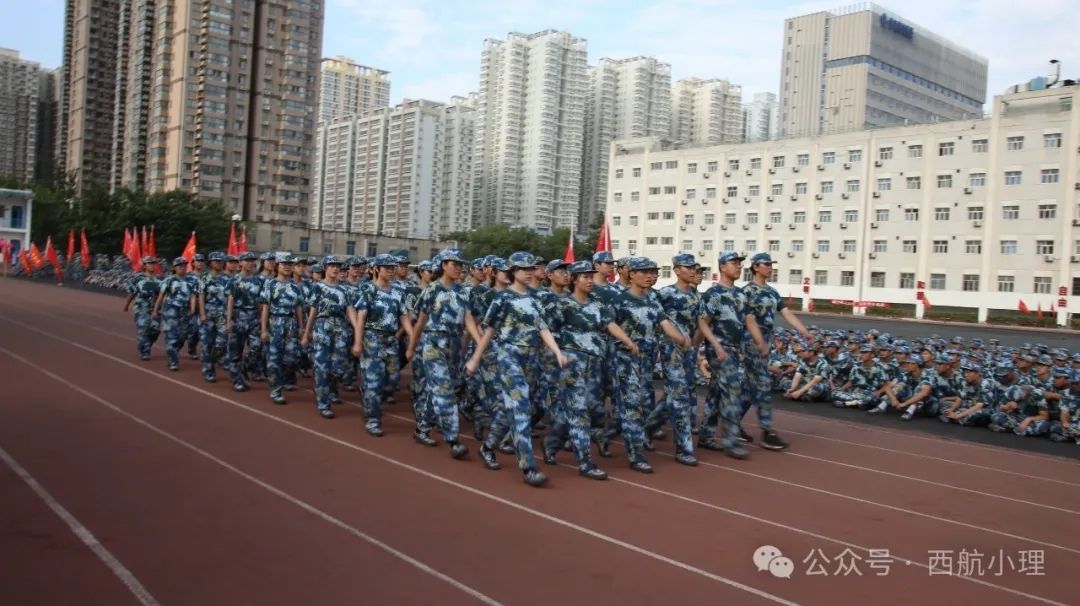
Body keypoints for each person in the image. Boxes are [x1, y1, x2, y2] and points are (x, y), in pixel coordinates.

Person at [466, 251, 568, 487]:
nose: (529, 272)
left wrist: (557, 351)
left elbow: (542, 328)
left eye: (531, 268)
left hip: (531, 358)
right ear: (513, 272)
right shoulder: (502, 298)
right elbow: (490, 331)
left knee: (507, 409)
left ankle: (488, 447)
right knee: (521, 410)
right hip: (508, 356)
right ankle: (528, 467)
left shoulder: (535, 298)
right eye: (524, 269)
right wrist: (475, 358)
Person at [543, 260, 637, 479]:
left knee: (587, 408)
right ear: (574, 280)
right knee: (579, 413)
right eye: (585, 276)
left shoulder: (597, 303)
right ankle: (585, 462)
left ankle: (552, 442)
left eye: (591, 276)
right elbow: (547, 331)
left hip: (594, 365)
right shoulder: (562, 305)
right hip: (571, 365)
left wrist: (628, 341)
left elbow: (609, 324)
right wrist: (557, 357)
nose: (589, 280)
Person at [602, 257, 691, 473]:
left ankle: (604, 435)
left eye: (653, 272)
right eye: (645, 272)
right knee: (632, 406)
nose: (651, 276)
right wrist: (627, 341)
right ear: (632, 274)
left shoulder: (652, 301)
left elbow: (664, 323)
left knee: (636, 404)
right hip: (624, 359)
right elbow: (609, 323)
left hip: (646, 360)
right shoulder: (619, 300)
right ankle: (636, 455)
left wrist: (681, 339)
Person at [408, 248, 481, 459]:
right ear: (443, 265)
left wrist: (480, 345)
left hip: (454, 345)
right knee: (445, 391)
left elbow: (468, 320)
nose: (459, 268)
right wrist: (411, 347)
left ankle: (422, 428)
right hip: (433, 344)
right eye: (455, 264)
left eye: (461, 265)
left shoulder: (462, 292)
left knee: (439, 390)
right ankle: (453, 439)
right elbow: (420, 322)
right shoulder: (432, 290)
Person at [697, 251, 766, 460]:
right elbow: (703, 322)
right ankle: (731, 440)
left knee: (717, 393)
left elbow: (749, 320)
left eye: (739, 263)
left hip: (733, 350)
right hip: (719, 350)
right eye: (734, 263)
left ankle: (706, 435)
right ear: (722, 266)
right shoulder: (713, 293)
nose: (738, 266)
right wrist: (715, 345)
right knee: (733, 391)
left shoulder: (741, 294)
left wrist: (760, 341)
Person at [741, 252, 810, 450]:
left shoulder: (772, 292)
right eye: (766, 264)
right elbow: (747, 319)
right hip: (752, 342)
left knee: (749, 388)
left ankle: (731, 422)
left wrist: (804, 331)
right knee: (763, 384)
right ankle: (767, 431)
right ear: (755, 267)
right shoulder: (747, 292)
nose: (770, 268)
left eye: (771, 264)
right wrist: (758, 341)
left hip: (766, 342)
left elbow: (786, 313)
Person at [644, 253, 703, 464]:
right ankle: (684, 448)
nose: (693, 271)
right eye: (688, 267)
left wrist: (695, 343)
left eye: (694, 267)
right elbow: (655, 320)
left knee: (673, 394)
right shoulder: (665, 294)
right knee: (680, 397)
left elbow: (701, 322)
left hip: (689, 350)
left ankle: (646, 429)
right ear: (677, 270)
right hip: (671, 349)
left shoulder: (696, 296)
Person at [352, 254, 414, 436]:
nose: (391, 271)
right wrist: (357, 342)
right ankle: (373, 419)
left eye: (393, 268)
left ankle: (368, 395)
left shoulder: (398, 292)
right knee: (374, 382)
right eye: (387, 268)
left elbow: (405, 317)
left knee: (393, 379)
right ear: (377, 269)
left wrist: (413, 338)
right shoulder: (368, 290)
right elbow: (361, 317)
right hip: (372, 339)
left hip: (391, 340)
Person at [301, 256, 350, 419]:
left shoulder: (344, 290)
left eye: (338, 266)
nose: (335, 269)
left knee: (339, 367)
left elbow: (349, 311)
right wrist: (307, 333)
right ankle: (324, 403)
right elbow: (313, 311)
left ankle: (327, 387)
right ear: (325, 268)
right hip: (322, 327)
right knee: (322, 367)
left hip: (340, 328)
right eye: (332, 266)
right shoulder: (318, 288)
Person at [259, 253, 305, 404]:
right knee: (274, 359)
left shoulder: (295, 287)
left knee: (291, 358)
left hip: (290, 323)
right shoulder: (270, 284)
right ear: (278, 266)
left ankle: (282, 379)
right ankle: (276, 390)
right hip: (275, 322)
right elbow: (265, 308)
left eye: (290, 264)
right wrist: (264, 329)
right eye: (284, 264)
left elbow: (298, 307)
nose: (287, 267)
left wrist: (301, 327)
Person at [225, 252, 262, 391]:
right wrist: (229, 321)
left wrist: (263, 320)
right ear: (240, 263)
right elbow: (230, 301)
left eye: (252, 261)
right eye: (247, 260)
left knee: (256, 347)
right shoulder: (234, 280)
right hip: (238, 316)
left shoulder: (258, 281)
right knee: (236, 351)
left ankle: (244, 370)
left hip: (254, 318)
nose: (250, 263)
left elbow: (261, 302)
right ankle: (237, 380)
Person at [152, 257, 196, 371]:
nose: (182, 267)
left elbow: (192, 295)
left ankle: (173, 352)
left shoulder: (191, 280)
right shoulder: (169, 280)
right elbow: (161, 296)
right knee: (171, 336)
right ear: (175, 267)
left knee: (183, 336)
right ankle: (173, 361)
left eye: (184, 265)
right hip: (170, 311)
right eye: (179, 266)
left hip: (184, 311)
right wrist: (155, 310)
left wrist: (192, 309)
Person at [197, 252, 232, 383]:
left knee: (222, 343)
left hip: (222, 313)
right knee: (207, 343)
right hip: (208, 312)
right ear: (210, 263)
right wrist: (202, 314)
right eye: (216, 261)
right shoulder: (204, 277)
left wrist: (229, 317)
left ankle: (216, 360)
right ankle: (208, 370)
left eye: (221, 261)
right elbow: (201, 296)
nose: (219, 263)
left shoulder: (228, 279)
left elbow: (230, 298)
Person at [122, 256, 162, 360]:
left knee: (155, 330)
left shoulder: (159, 279)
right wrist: (127, 305)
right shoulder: (138, 278)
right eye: (149, 263)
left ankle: (147, 345)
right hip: (141, 308)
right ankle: (144, 351)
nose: (152, 265)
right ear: (144, 266)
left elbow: (161, 295)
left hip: (154, 308)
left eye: (153, 263)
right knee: (143, 329)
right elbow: (132, 292)